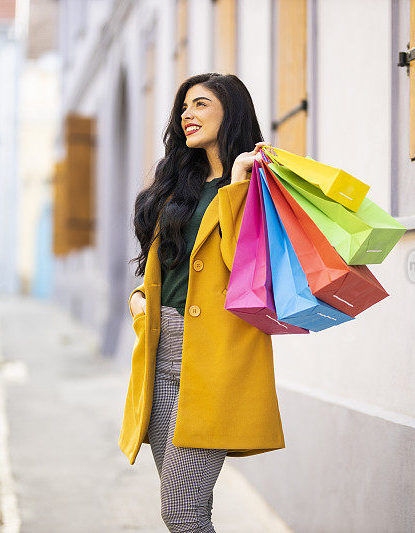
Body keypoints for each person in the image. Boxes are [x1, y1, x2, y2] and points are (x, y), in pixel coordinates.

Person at [118, 73, 285, 532]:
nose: (187, 115)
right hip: (160, 356)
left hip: (215, 362)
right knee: (187, 511)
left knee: (182, 512)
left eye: (201, 105)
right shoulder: (175, 187)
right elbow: (162, 267)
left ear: (229, 111)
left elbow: (244, 265)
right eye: (184, 108)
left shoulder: (256, 183)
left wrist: (235, 184)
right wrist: (139, 304)